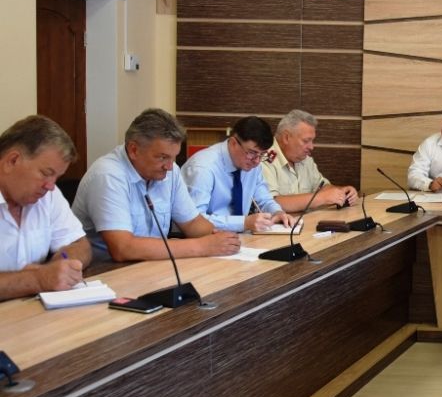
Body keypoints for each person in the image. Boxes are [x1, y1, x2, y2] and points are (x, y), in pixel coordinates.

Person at [72, 109, 241, 262]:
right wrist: (202, 246)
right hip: (106, 273)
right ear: (133, 150)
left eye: (173, 157)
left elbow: (192, 223)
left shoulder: (170, 171)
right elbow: (123, 248)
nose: (169, 167)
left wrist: (222, 240)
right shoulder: (108, 175)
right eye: (162, 157)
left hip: (152, 266)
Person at [0, 115, 91, 300]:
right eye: (45, 173)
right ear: (12, 161)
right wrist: (37, 279)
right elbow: (40, 279)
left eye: (56, 177)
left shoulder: (47, 194)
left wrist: (60, 267)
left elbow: (79, 245)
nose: (50, 186)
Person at [181, 116, 292, 232]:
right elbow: (195, 221)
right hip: (205, 237)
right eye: (252, 153)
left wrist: (277, 212)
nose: (257, 161)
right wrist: (243, 223)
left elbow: (264, 199)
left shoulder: (253, 164)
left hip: (239, 237)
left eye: (262, 154)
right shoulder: (203, 168)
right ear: (234, 143)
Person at [262, 109, 359, 212]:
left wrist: (341, 192)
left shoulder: (305, 159)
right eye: (306, 141)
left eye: (312, 141)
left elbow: (322, 187)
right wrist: (322, 198)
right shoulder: (263, 158)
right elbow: (270, 203)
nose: (311, 147)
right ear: (286, 137)